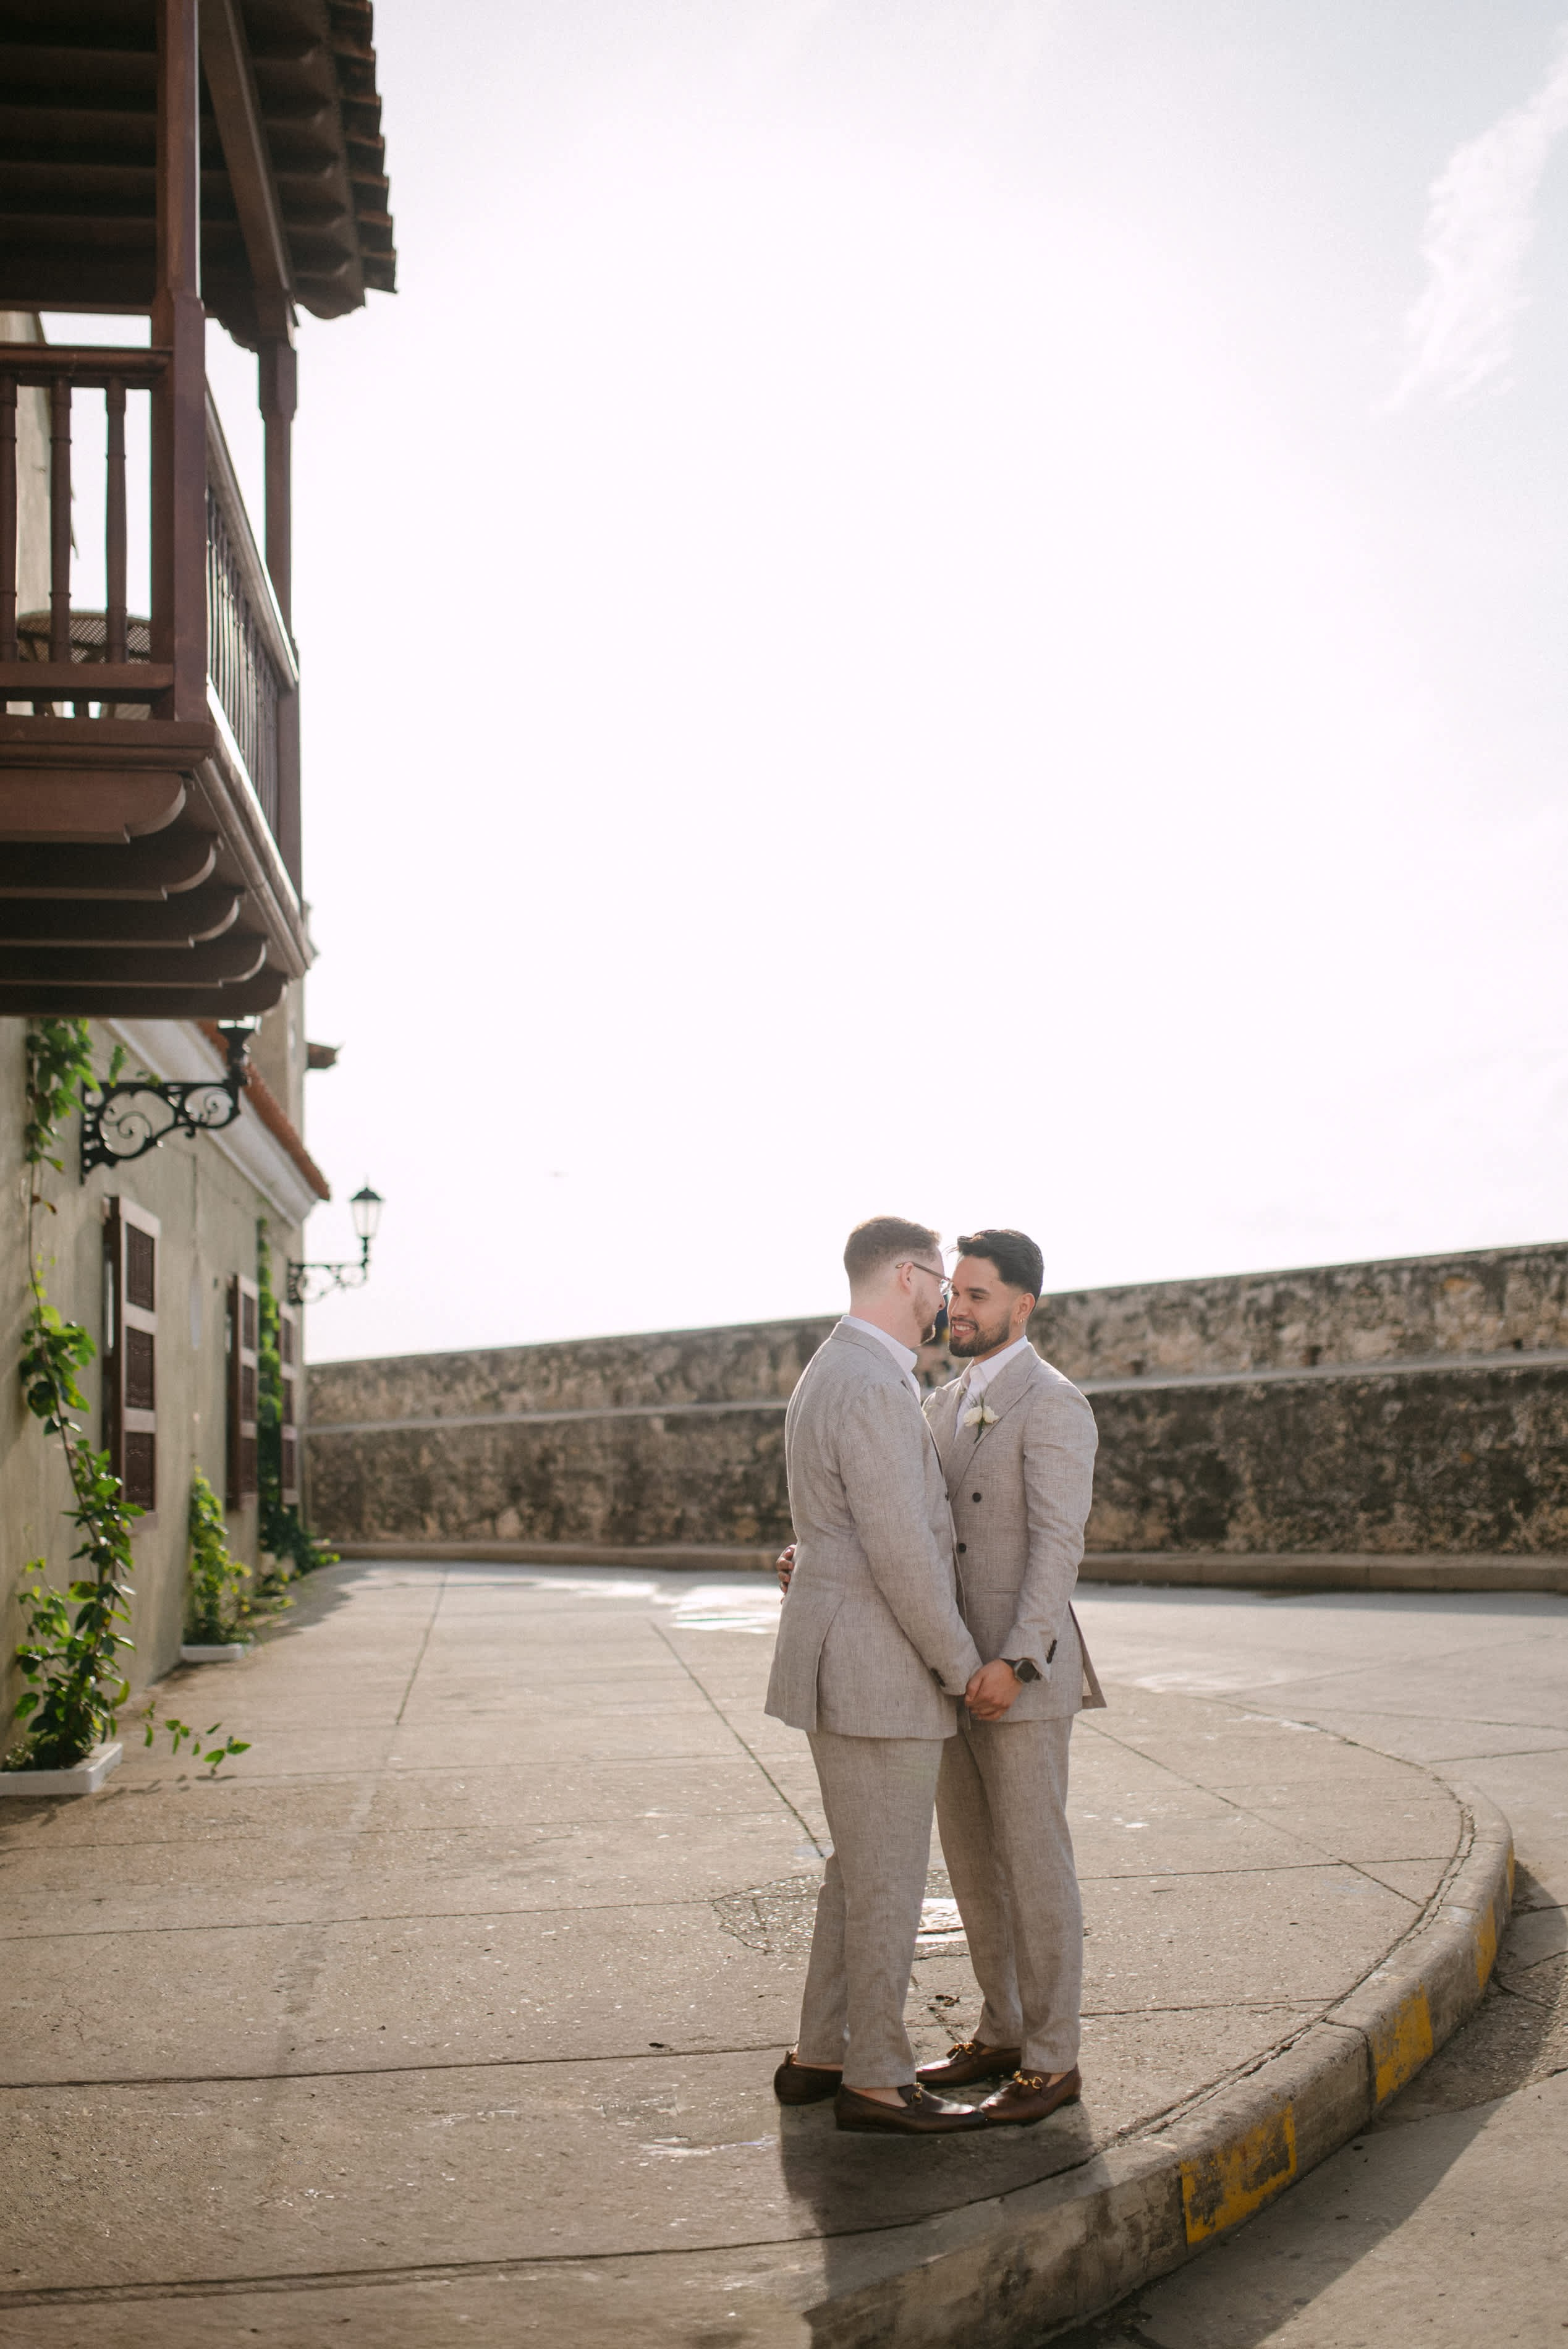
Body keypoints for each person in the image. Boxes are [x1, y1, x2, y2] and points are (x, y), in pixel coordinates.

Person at [778, 1226, 1103, 2130]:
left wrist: (1015, 1660)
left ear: (1021, 1307)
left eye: (978, 1296)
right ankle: (999, 2029)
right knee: (970, 1864)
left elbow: (1057, 1547)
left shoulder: (1054, 1404)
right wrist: (815, 1554)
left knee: (1035, 1865)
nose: (957, 1309)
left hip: (1015, 1673)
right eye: (951, 1292)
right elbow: (898, 1521)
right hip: (946, 1671)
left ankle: (1050, 2059)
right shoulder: (937, 1399)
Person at [765, 1215, 990, 2136]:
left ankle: (821, 2052)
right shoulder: (871, 1385)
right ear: (906, 1275)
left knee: (857, 1871)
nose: (945, 1297)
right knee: (888, 1876)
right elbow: (903, 1550)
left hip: (842, 1655)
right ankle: (876, 2078)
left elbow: (846, 1530)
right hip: (875, 1668)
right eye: (939, 1279)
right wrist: (963, 1665)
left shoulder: (836, 1369)